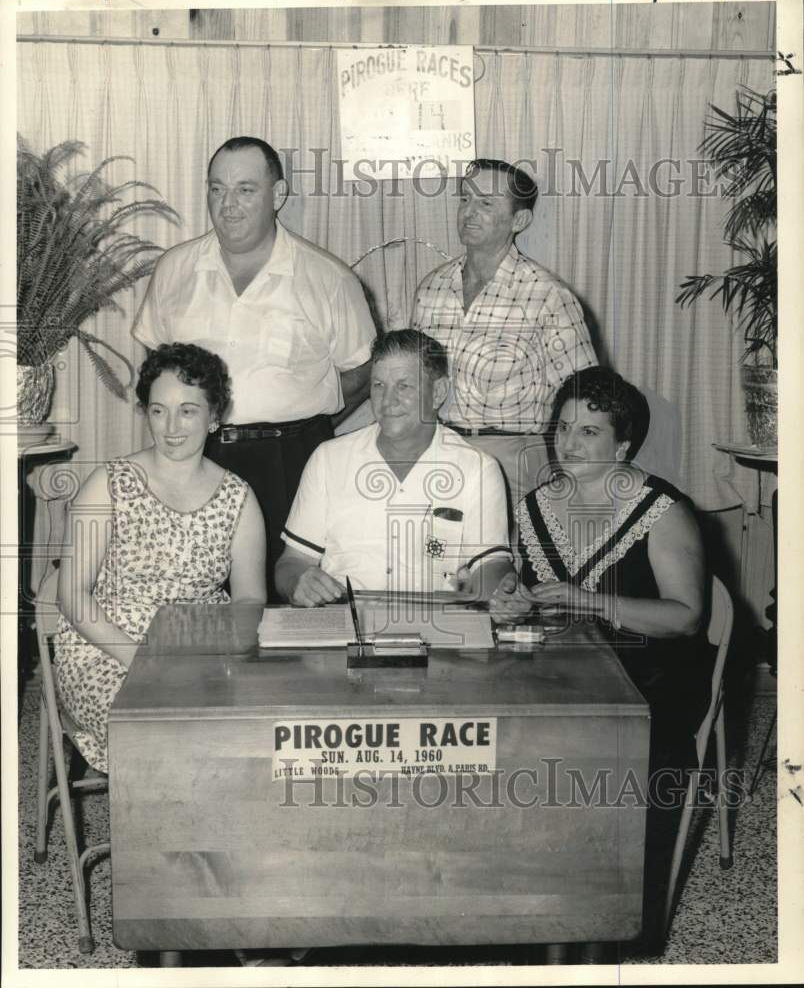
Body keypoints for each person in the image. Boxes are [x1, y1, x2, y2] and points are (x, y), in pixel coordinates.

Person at [490, 364, 714, 957]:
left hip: (650, 686)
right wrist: (512, 598)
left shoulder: (662, 511)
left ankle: (589, 936)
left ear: (623, 442)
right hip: (560, 676)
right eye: (563, 427)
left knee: (585, 762)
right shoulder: (535, 507)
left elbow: (686, 616)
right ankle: (531, 912)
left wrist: (589, 600)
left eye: (590, 431)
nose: (569, 443)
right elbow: (532, 599)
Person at [132, 136, 376, 596]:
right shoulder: (174, 269)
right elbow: (154, 371)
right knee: (196, 597)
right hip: (198, 460)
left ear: (277, 195)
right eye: (217, 189)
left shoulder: (328, 277)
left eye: (245, 189)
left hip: (294, 461)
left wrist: (311, 419)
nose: (229, 205)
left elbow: (361, 371)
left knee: (294, 599)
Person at [54, 344, 266, 774]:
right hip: (107, 649)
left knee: (256, 732)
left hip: (201, 651)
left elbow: (248, 603)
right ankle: (158, 839)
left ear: (215, 417)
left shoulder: (238, 497)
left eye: (188, 411)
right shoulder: (108, 483)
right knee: (162, 732)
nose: (171, 427)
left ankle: (218, 836)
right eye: (158, 411)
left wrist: (209, 659)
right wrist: (144, 662)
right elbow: (73, 596)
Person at [275, 329, 513, 606]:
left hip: (436, 633)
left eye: (404, 386)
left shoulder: (477, 469)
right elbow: (291, 563)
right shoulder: (328, 459)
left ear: (438, 392)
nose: (388, 401)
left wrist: (501, 595)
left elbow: (491, 566)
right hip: (343, 628)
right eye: (378, 385)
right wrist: (298, 583)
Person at [412, 157, 597, 511]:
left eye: (486, 203)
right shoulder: (432, 288)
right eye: (465, 199)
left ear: (520, 220)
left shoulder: (547, 295)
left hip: (513, 461)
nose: (469, 212)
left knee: (507, 562)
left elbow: (583, 399)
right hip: (439, 452)